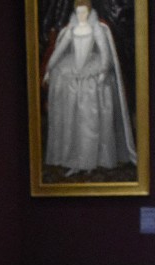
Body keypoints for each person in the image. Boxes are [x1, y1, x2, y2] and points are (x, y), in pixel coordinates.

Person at [42, 0, 137, 176]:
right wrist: (49, 69)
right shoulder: (70, 30)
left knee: (90, 121)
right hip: (73, 73)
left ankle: (91, 161)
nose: (81, 15)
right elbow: (60, 51)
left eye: (84, 12)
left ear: (89, 12)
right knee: (74, 120)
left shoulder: (98, 30)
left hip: (92, 76)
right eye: (78, 12)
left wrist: (102, 72)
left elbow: (105, 54)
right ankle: (75, 161)